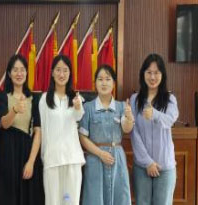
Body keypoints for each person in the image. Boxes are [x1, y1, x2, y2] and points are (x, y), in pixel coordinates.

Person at [78, 64, 133, 205]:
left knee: (119, 197)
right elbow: (82, 137)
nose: (104, 83)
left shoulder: (121, 106)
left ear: (113, 83)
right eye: (100, 79)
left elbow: (127, 129)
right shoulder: (87, 107)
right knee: (95, 198)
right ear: (95, 83)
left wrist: (129, 117)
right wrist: (100, 153)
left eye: (108, 79)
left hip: (117, 158)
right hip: (95, 158)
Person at [34, 55, 84, 205]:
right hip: (52, 160)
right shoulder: (44, 99)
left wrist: (78, 106)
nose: (62, 74)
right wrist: (44, 156)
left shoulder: (76, 98)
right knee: (53, 202)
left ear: (70, 73)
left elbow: (78, 117)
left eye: (65, 70)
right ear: (52, 73)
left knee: (70, 201)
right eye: (58, 70)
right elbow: (42, 129)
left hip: (72, 159)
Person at [130, 54, 178, 205]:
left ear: (162, 75)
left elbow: (170, 120)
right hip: (141, 166)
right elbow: (134, 133)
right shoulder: (135, 99)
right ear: (143, 74)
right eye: (149, 72)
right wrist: (148, 162)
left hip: (165, 166)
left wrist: (155, 114)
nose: (152, 77)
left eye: (156, 73)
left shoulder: (170, 99)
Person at [0, 54, 43, 205]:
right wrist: (15, 110)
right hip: (7, 151)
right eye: (15, 70)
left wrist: (31, 161)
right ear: (9, 74)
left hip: (26, 151)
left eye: (22, 70)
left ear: (27, 73)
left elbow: (38, 132)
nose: (19, 73)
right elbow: (4, 124)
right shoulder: (2, 96)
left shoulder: (34, 99)